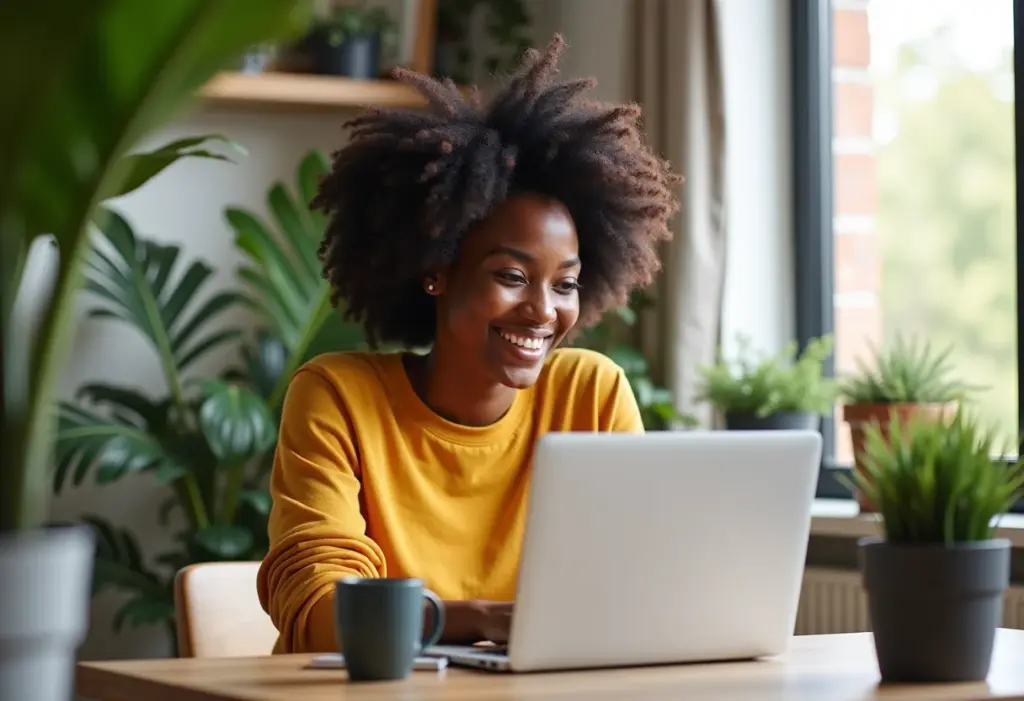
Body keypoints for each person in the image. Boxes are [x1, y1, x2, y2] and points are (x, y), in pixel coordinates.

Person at [256, 33, 682, 654]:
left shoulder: (591, 394)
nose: (542, 310)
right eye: (511, 276)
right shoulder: (338, 397)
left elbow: (636, 583)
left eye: (564, 284)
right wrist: (478, 620)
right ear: (437, 269)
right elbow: (321, 612)